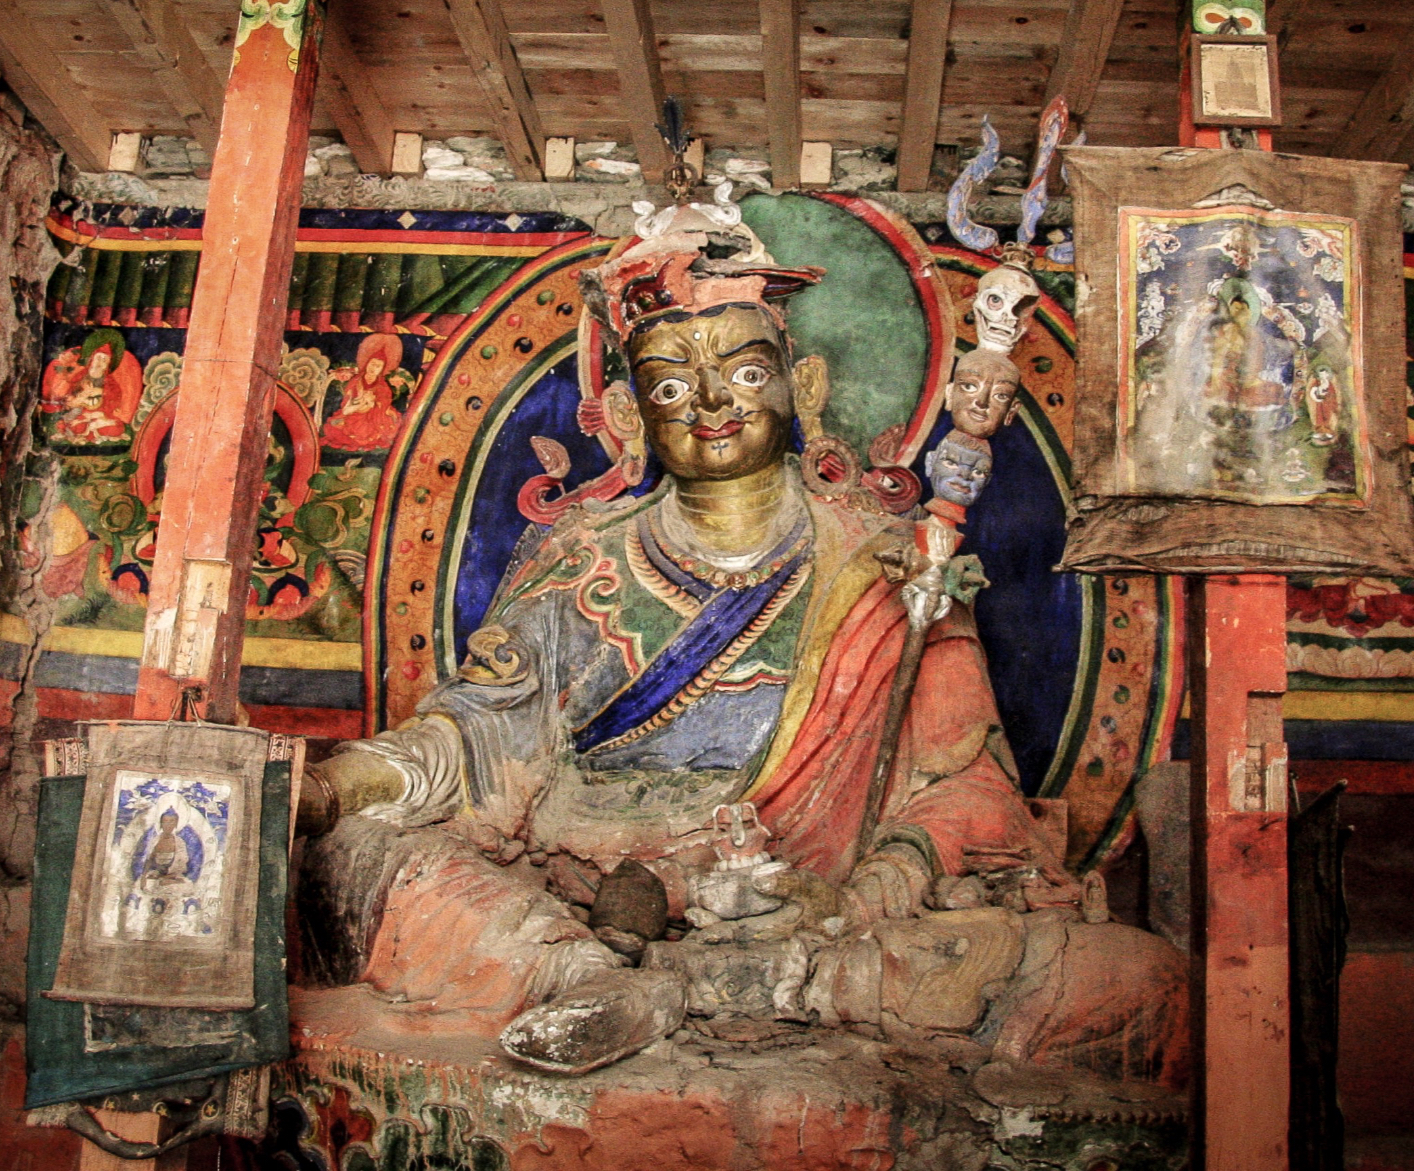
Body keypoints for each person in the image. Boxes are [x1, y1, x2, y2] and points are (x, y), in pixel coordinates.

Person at [297, 201, 1187, 1085]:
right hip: (575, 891)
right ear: (630, 410)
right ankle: (584, 978)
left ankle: (740, 988)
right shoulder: (578, 565)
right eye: (673, 386)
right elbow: (469, 740)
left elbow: (965, 790)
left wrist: (854, 898)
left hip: (813, 913)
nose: (713, 403)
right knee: (354, 861)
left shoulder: (893, 566)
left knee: (1141, 988)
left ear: (803, 388)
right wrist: (333, 787)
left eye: (745, 371)